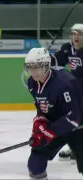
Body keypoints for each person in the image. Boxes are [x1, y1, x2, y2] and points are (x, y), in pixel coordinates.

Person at [25, 47, 83, 179]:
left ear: (46, 65)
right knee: (35, 164)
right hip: (55, 124)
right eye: (30, 67)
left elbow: (74, 117)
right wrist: (39, 121)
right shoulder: (32, 83)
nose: (33, 71)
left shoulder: (65, 83)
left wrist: (50, 130)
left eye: (37, 67)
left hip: (78, 128)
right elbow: (42, 106)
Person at [50, 23, 83, 162]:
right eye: (73, 33)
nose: (76, 36)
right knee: (74, 118)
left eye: (79, 33)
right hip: (76, 89)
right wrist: (45, 58)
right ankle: (75, 147)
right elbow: (56, 61)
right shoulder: (67, 48)